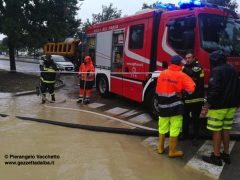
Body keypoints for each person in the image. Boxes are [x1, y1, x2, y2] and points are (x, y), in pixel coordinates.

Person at [202, 50, 240, 166]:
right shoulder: (234, 70)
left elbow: (214, 90)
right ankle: (226, 154)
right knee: (226, 129)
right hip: (232, 106)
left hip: (219, 107)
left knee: (216, 131)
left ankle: (216, 156)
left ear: (214, 60)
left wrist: (206, 106)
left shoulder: (216, 70)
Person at [156, 55, 195, 157]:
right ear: (180, 64)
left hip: (162, 105)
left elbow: (157, 89)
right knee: (174, 128)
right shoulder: (181, 75)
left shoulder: (162, 73)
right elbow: (191, 89)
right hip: (176, 107)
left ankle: (160, 148)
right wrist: (182, 93)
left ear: (170, 63)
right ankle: (172, 151)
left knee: (162, 127)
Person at [182, 52, 205, 145]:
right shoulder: (185, 67)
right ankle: (184, 135)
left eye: (189, 58)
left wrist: (183, 69)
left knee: (195, 119)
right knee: (185, 117)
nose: (187, 59)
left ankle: (196, 137)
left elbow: (192, 73)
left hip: (197, 98)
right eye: (186, 58)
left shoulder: (198, 66)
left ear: (194, 58)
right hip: (187, 97)